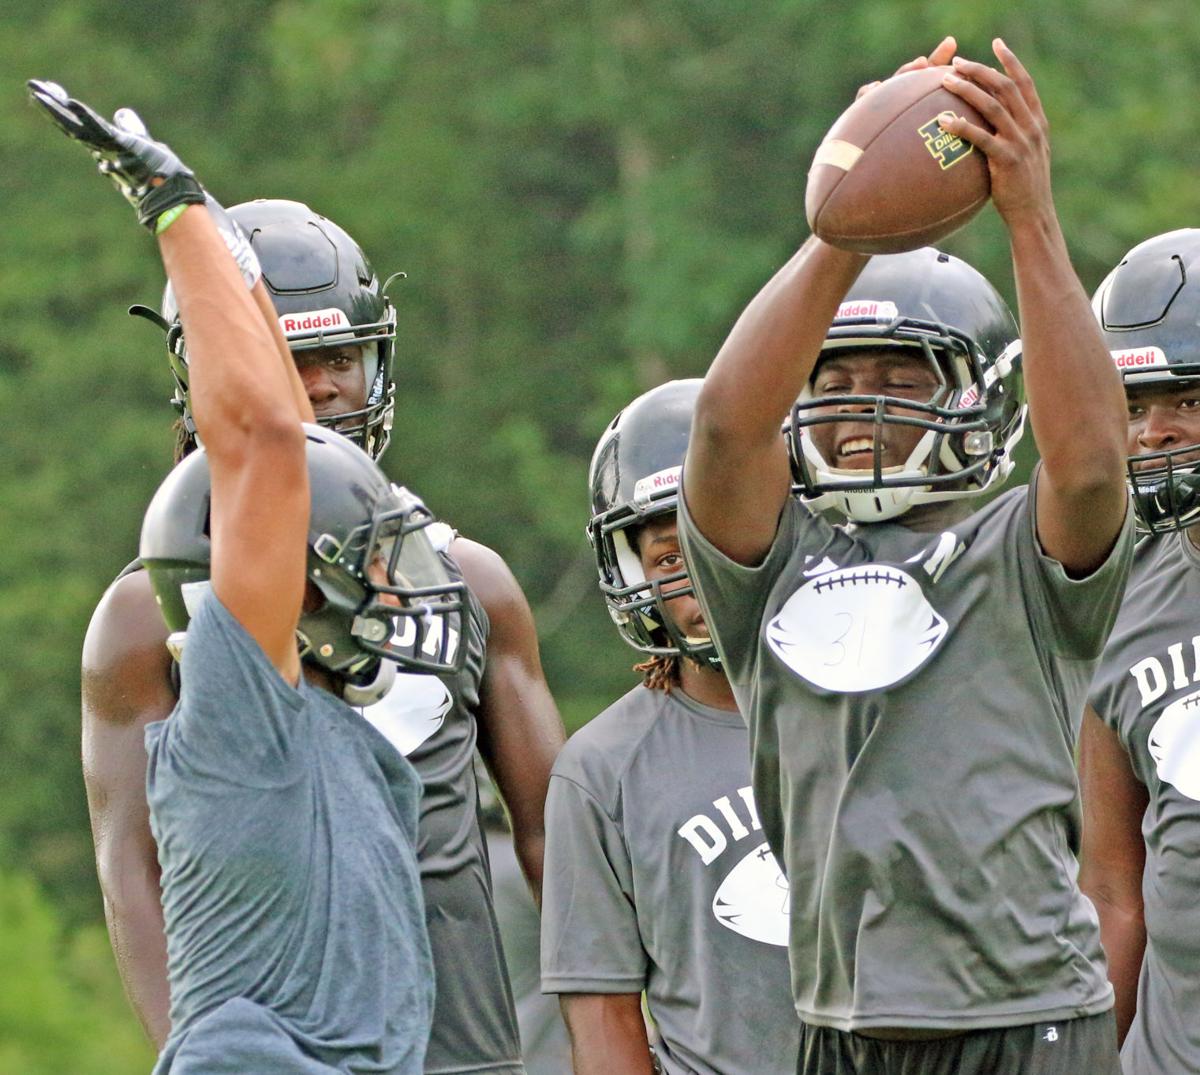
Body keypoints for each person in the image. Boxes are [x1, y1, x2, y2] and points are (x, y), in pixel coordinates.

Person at [675, 39, 1133, 1075]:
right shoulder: (769, 561)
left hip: (1028, 1015)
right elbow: (724, 432)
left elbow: (1095, 466)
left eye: (907, 374)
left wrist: (1028, 212)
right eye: (840, 375)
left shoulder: (1016, 550)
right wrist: (845, 223)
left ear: (977, 398)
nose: (865, 406)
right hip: (842, 1026)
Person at [77, 151, 561, 1075]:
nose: (323, 387)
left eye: (340, 357)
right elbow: (133, 871)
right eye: (288, 364)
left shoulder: (473, 579)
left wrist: (609, 1026)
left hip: (464, 1044)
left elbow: (553, 838)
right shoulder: (146, 611)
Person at [30, 79, 464, 1071]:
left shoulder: (324, 733)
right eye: (374, 558)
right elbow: (267, 442)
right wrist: (176, 209)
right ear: (291, 588)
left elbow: (291, 432)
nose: (401, 584)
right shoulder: (241, 709)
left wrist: (237, 258)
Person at [540, 379, 799, 1074]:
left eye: (726, 536)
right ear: (634, 574)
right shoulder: (603, 769)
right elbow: (603, 1014)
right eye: (670, 556)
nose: (706, 578)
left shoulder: (887, 708)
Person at [1079, 228, 1200, 1074]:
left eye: (1187, 400)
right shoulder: (1118, 596)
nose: (1153, 432)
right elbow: (1115, 892)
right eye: (1133, 404)